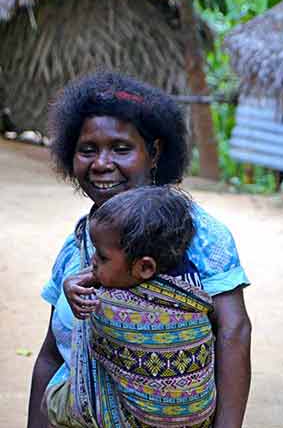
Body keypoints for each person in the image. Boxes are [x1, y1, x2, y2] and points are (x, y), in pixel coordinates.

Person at [27, 71, 251, 428]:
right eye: (88, 150)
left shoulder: (201, 237)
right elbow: (53, 355)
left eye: (121, 148)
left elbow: (234, 332)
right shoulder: (78, 247)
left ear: (154, 152)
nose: (101, 163)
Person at [45, 185, 216, 427]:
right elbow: (121, 274)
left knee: (57, 401)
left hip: (129, 419)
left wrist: (81, 289)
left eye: (101, 257)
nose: (92, 261)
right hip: (197, 418)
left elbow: (100, 306)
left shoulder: (110, 308)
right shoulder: (188, 278)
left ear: (146, 268)